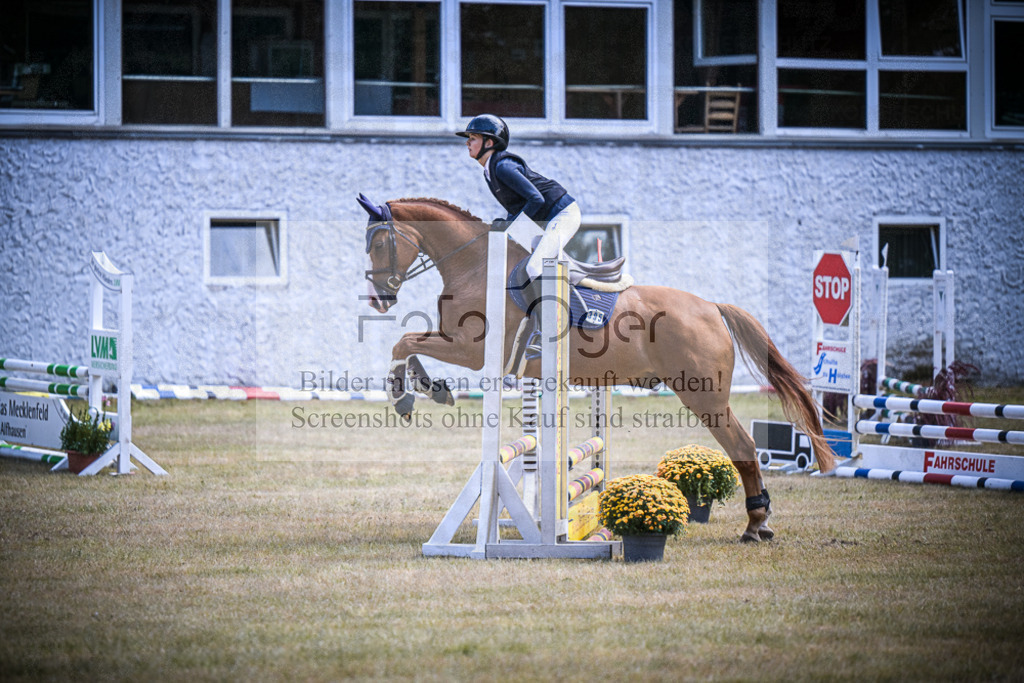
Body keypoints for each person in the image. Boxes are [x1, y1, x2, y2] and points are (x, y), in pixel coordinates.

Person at [456, 114, 581, 370]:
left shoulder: (502, 166)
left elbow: (535, 199)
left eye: (473, 138)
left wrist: (511, 222)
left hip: (561, 214)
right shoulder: (490, 169)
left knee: (535, 268)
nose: (468, 143)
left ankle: (545, 331)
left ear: (490, 142)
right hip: (544, 219)